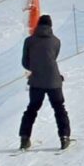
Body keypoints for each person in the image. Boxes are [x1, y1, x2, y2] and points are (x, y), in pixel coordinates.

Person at [19, 14, 70, 150]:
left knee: (32, 109)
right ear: (50, 26)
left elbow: (25, 62)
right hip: (54, 80)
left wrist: (35, 67)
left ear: (38, 25)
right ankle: (64, 137)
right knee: (59, 108)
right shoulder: (56, 41)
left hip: (36, 80)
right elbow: (53, 57)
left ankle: (24, 138)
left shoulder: (29, 41)